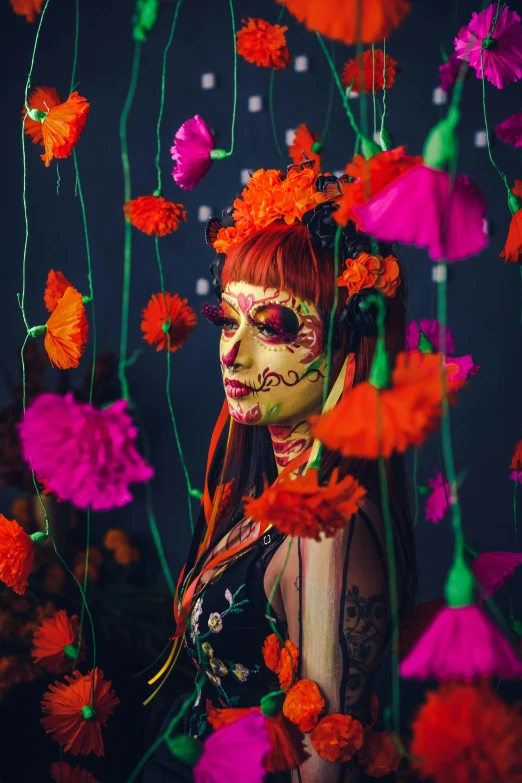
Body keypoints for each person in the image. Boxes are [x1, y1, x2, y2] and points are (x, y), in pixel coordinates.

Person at [144, 165, 417, 783]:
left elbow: (324, 769)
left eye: (271, 327)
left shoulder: (330, 529)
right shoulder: (268, 494)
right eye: (226, 320)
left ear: (349, 350)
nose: (233, 351)